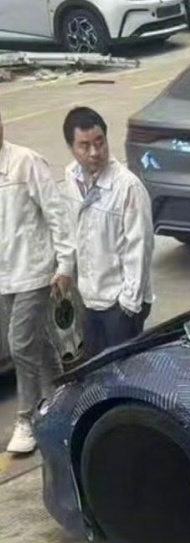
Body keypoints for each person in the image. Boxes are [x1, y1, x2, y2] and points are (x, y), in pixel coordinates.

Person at [0, 110, 76, 455]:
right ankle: (61, 396)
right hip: (5, 277)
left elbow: (56, 213)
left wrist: (65, 263)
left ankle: (26, 417)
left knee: (19, 344)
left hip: (34, 271)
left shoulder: (25, 163)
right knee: (39, 341)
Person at [60, 107, 155, 355]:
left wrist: (128, 303)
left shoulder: (128, 187)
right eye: (85, 145)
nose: (95, 152)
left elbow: (140, 248)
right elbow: (71, 229)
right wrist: (65, 268)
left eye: (99, 142)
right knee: (95, 370)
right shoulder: (71, 177)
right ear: (71, 147)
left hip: (120, 304)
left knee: (124, 370)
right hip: (90, 299)